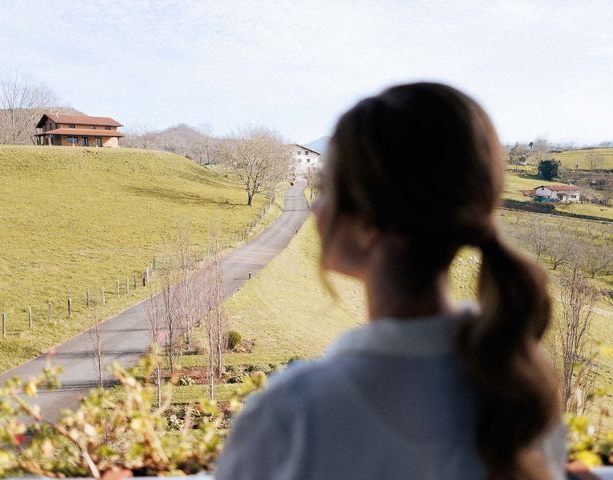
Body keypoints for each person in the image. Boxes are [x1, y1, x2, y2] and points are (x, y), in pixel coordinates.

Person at [215, 83, 566, 480]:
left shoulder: (290, 418)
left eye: (326, 188)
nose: (316, 207)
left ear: (367, 223)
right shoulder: (523, 399)